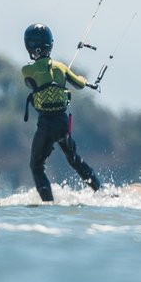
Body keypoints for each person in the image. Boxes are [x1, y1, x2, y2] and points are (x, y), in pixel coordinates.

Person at [22, 23, 101, 202]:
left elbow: (30, 83)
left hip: (46, 125)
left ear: (29, 47)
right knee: (73, 159)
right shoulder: (61, 67)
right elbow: (80, 84)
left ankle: (48, 204)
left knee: (36, 166)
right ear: (51, 45)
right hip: (63, 124)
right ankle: (100, 190)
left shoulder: (27, 70)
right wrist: (82, 79)